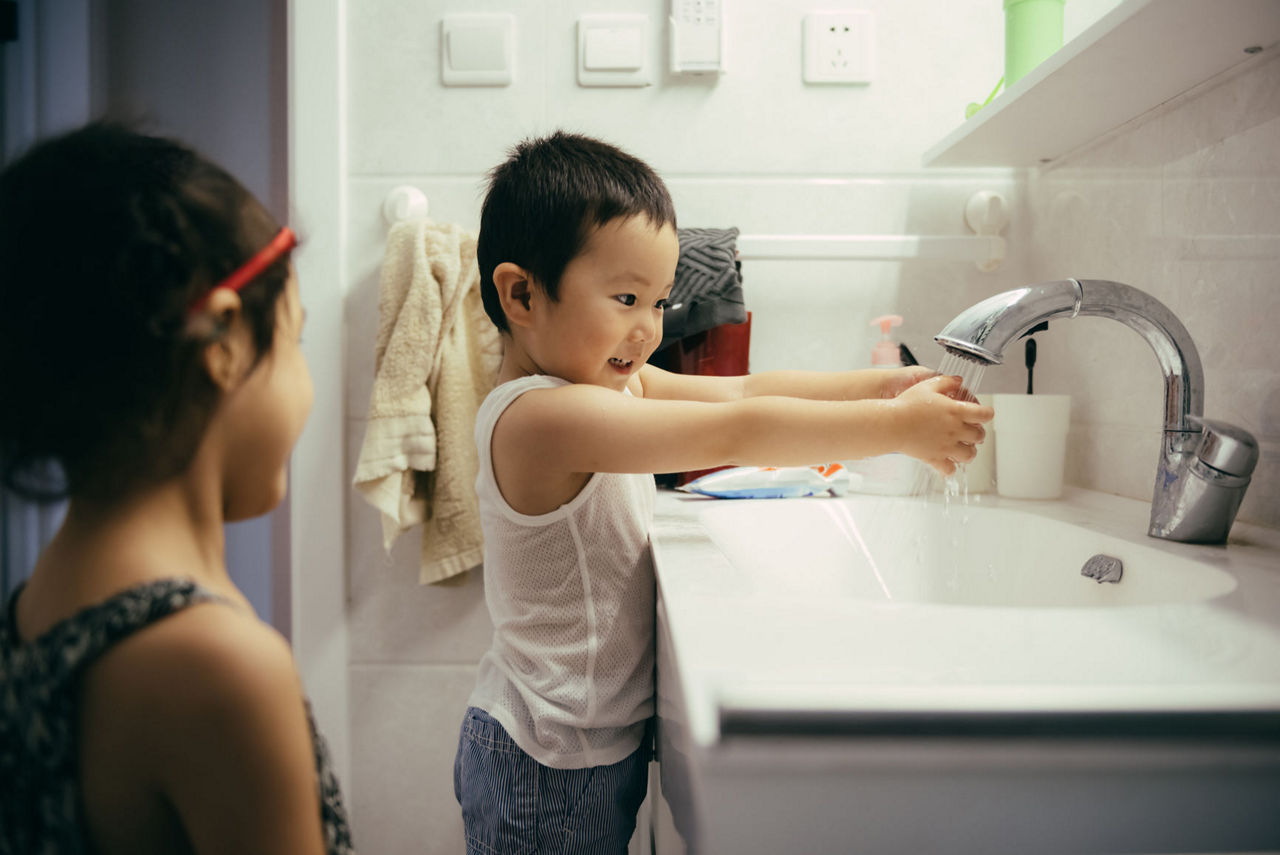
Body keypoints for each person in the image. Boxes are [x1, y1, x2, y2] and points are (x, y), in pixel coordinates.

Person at [453, 130, 993, 853]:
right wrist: (894, 426)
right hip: (542, 758)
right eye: (624, 297)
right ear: (521, 293)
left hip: (586, 745)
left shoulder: (607, 383)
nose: (647, 329)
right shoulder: (538, 416)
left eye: (659, 302)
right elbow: (734, 430)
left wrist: (885, 384)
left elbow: (744, 387)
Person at [0, 123, 354, 855]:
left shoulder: (41, 605)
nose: (305, 388)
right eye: (295, 341)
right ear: (222, 343)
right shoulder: (220, 667)